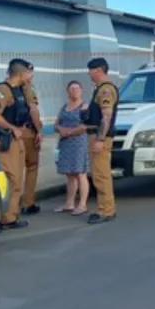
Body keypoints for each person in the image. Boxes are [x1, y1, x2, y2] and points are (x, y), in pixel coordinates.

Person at [0, 58, 36, 232]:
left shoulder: (20, 91)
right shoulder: (3, 90)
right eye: (29, 73)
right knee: (11, 179)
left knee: (18, 180)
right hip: (6, 140)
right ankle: (1, 218)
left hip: (18, 139)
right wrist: (12, 128)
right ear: (21, 73)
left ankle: (11, 217)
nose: (30, 76)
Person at [83, 57, 118, 225]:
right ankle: (105, 208)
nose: (89, 74)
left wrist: (100, 139)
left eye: (90, 71)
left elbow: (107, 115)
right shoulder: (100, 89)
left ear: (98, 70)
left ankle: (106, 210)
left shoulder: (105, 90)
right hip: (96, 136)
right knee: (99, 174)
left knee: (101, 175)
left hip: (100, 137)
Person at [53, 80, 90, 215]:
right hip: (65, 143)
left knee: (80, 172)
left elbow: (85, 125)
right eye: (72, 88)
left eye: (77, 88)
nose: (74, 91)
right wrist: (60, 129)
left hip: (79, 142)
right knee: (70, 174)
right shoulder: (64, 107)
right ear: (67, 91)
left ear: (81, 91)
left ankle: (82, 204)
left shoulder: (84, 106)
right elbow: (56, 123)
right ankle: (69, 203)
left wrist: (68, 132)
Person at [18, 63, 44, 216]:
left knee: (15, 170)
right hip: (27, 132)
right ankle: (28, 202)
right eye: (30, 73)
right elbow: (33, 109)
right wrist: (39, 129)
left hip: (12, 133)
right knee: (31, 167)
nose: (32, 76)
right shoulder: (28, 87)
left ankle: (13, 205)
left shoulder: (6, 88)